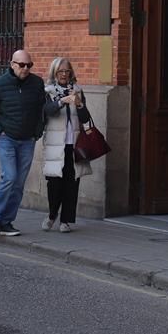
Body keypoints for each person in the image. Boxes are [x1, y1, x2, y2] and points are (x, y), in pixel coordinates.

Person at [0, 48, 46, 237]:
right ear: (12, 64)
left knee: (19, 182)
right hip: (7, 138)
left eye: (29, 65)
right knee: (9, 176)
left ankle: (7, 221)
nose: (25, 69)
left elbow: (42, 110)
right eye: (22, 65)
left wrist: (37, 132)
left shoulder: (37, 83)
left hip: (28, 140)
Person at [40, 56, 93, 232]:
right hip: (56, 145)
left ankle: (66, 220)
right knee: (54, 183)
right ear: (54, 73)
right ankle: (52, 214)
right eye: (60, 71)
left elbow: (86, 119)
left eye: (67, 71)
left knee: (72, 183)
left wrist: (79, 104)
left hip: (75, 144)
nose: (64, 74)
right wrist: (61, 101)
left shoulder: (77, 90)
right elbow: (46, 111)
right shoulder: (48, 91)